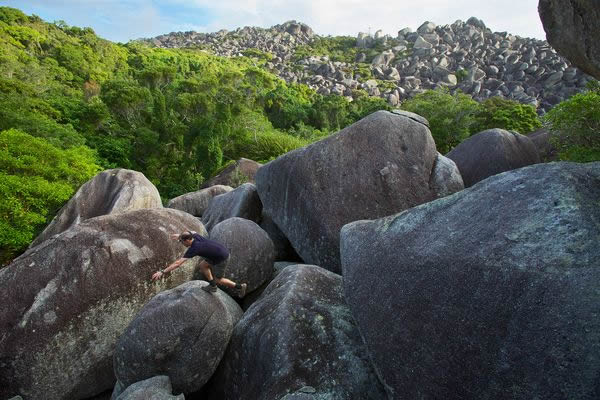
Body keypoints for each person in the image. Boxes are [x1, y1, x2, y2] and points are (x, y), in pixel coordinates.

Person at [151, 231, 247, 297]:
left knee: (219, 279)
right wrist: (180, 235)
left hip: (222, 257)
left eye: (182, 242)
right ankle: (212, 286)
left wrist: (162, 272)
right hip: (218, 252)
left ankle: (240, 287)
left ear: (187, 240)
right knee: (202, 265)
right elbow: (191, 231)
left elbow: (178, 263)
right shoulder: (195, 236)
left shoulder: (194, 248)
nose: (181, 243)